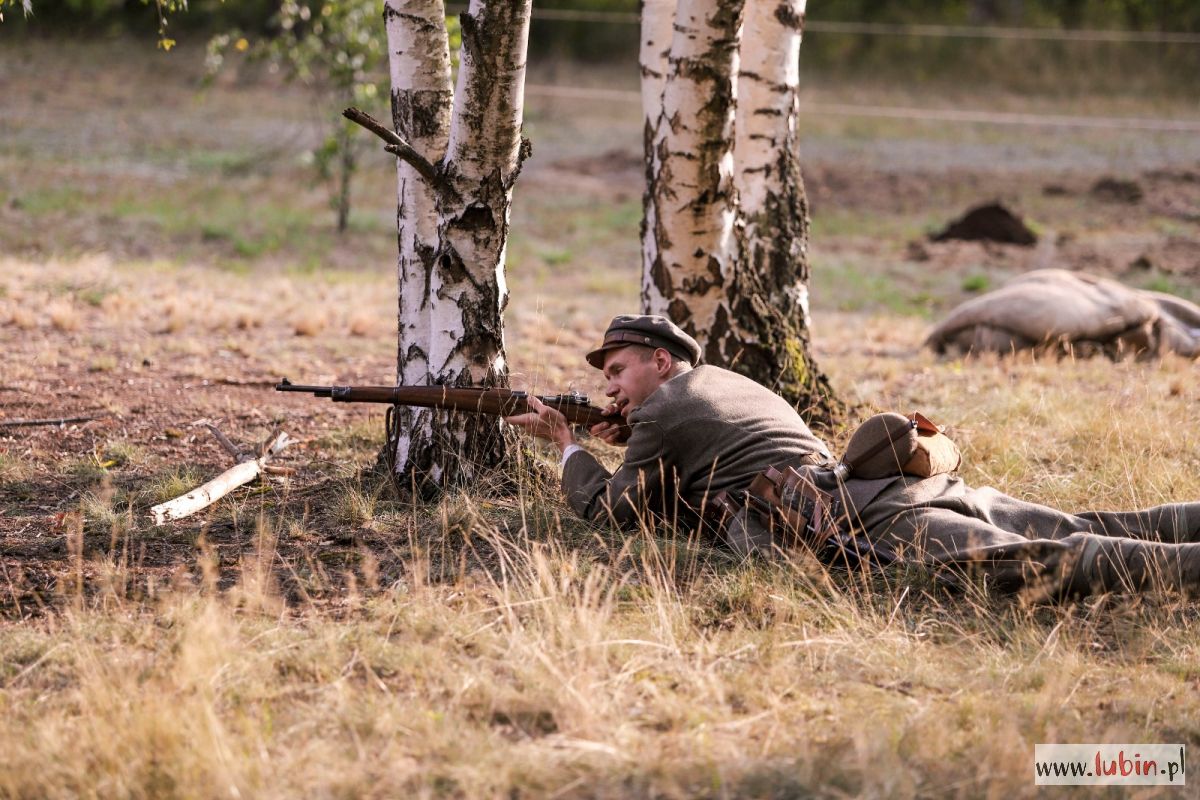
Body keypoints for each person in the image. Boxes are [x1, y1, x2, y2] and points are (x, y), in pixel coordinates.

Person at [507, 314, 1200, 598]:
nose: (609, 387)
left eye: (619, 370)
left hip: (870, 519)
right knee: (1079, 524)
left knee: (1043, 561)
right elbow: (702, 462)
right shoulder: (714, 383)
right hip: (888, 483)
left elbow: (609, 511)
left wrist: (567, 446)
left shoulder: (662, 410)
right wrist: (634, 437)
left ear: (660, 362)